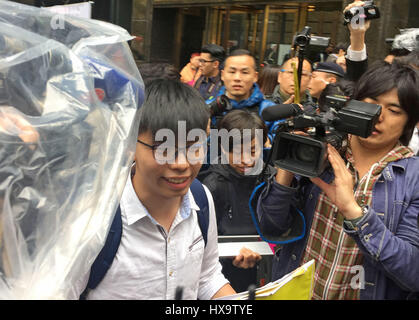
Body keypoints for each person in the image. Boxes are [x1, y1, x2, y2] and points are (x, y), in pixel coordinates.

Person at [256, 61, 419, 300]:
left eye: (394, 110)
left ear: (410, 121)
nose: (378, 117)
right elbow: (272, 226)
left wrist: (354, 213)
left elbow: (412, 272)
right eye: (369, 104)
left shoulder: (413, 178)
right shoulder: (322, 150)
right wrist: (288, 166)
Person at [73, 79, 235, 299]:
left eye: (195, 147)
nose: (181, 164)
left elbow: (207, 276)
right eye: (163, 148)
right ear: (130, 143)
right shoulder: (96, 213)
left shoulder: (201, 198)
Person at [200, 109, 275, 292]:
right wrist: (229, 256)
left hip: (270, 274)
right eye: (237, 152)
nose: (246, 160)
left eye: (252, 151)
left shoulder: (272, 179)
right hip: (223, 280)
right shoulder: (212, 186)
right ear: (223, 147)